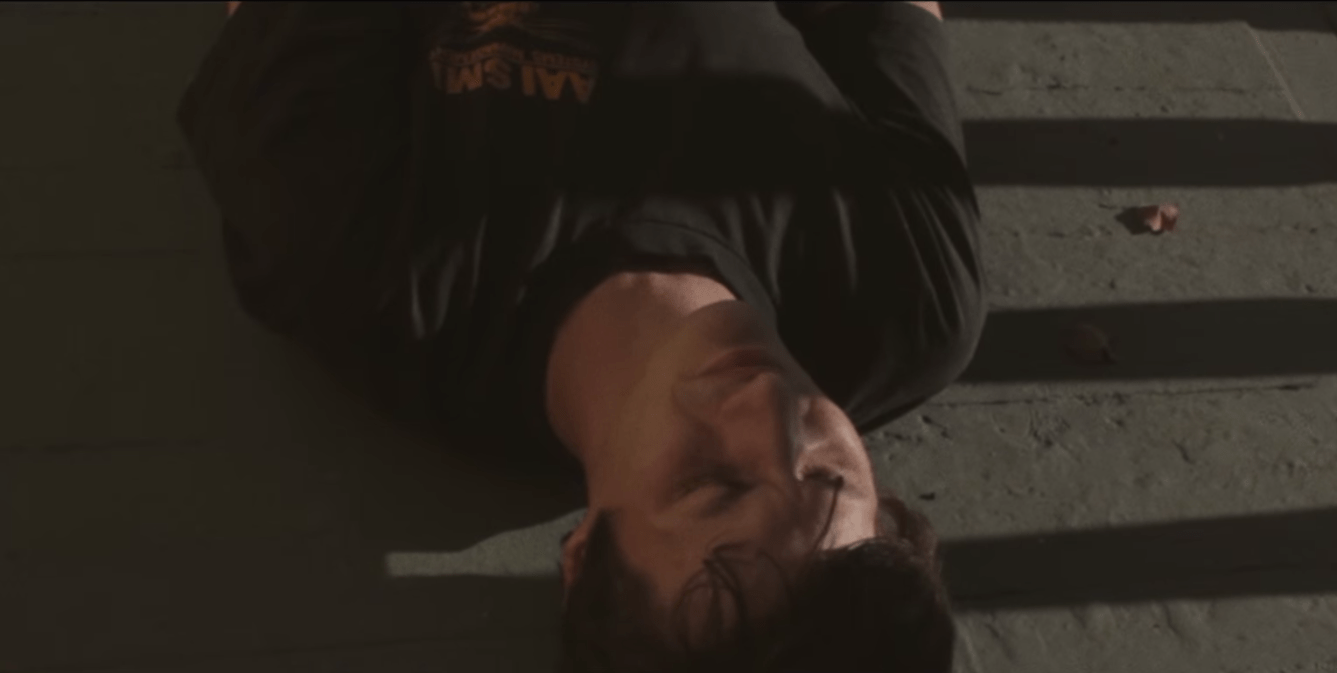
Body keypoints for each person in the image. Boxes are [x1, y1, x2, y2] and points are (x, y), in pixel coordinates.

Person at [179, 1, 984, 670]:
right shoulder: (899, 299)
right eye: (826, 476)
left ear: (585, 555)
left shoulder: (363, 260)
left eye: (710, 483)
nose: (764, 408)